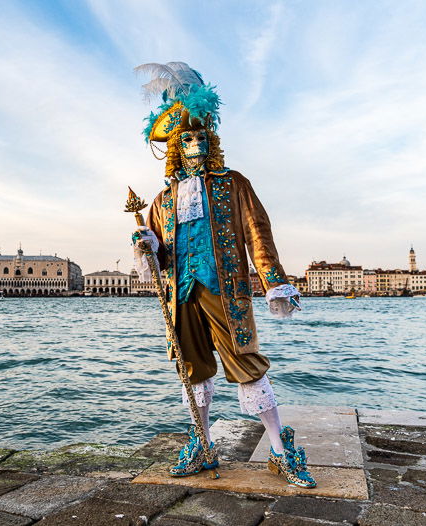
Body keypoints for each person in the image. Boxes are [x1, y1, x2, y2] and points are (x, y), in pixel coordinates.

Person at [131, 62, 315, 487]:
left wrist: (273, 281)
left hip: (224, 291)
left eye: (199, 136)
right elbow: (158, 258)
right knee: (192, 369)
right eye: (186, 138)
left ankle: (279, 449)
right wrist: (146, 245)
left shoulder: (233, 184)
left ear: (209, 139)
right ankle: (202, 441)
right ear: (177, 146)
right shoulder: (162, 199)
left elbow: (257, 234)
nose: (193, 142)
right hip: (183, 296)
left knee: (248, 366)